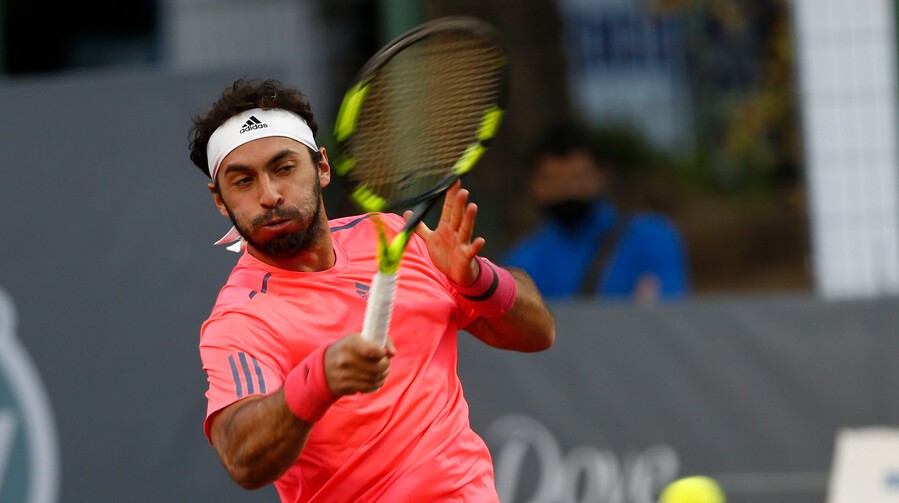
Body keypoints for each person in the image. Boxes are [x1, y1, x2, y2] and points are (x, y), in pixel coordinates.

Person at [186, 78, 555, 502]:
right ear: (219, 199)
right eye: (243, 181)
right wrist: (317, 381)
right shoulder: (242, 318)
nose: (268, 196)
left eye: (283, 168)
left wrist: (477, 280)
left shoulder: (396, 237)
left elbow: (539, 333)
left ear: (321, 167)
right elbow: (241, 456)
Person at [501, 123, 690, 302]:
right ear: (532, 185)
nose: (568, 189)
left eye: (578, 177)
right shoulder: (520, 263)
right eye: (552, 180)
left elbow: (667, 314)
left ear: (603, 175)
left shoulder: (652, 238)